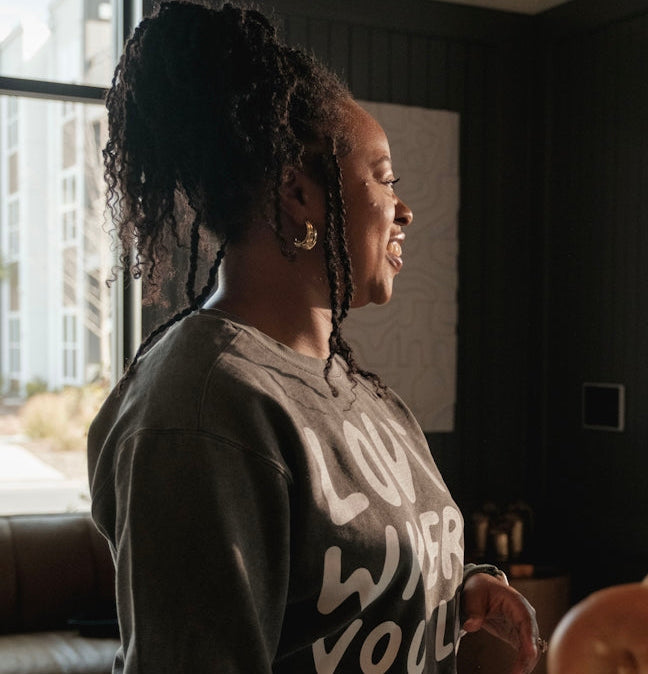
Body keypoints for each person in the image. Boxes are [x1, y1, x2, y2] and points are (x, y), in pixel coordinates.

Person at [86, 3, 542, 672]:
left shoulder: (353, 388)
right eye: (383, 178)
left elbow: (342, 587)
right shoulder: (205, 406)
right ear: (297, 194)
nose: (404, 209)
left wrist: (458, 588)